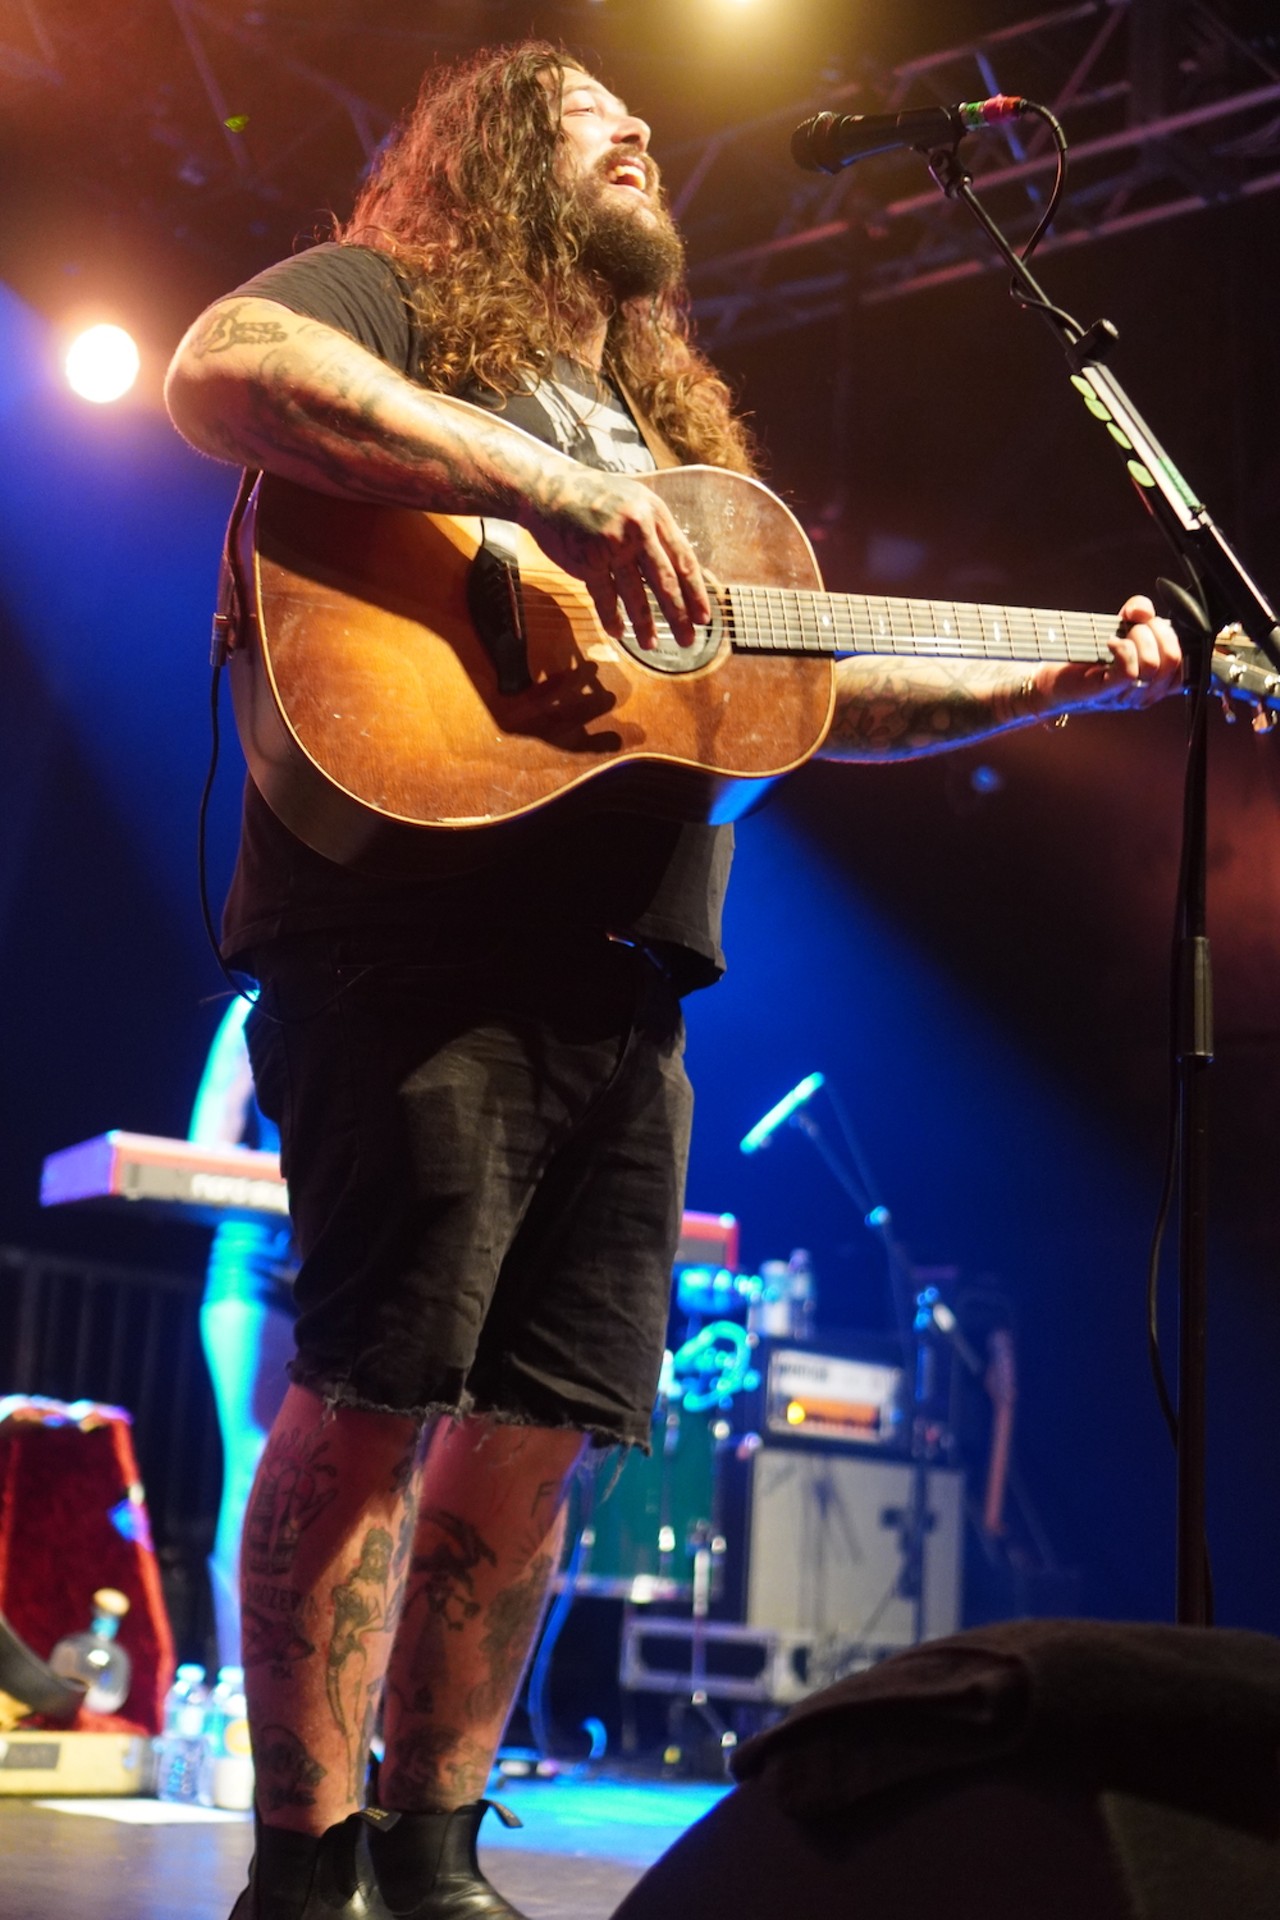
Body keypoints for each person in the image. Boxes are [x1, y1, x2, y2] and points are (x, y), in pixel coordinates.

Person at [163, 41, 1180, 1920]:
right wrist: (544, 489)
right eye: (587, 118)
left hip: (624, 972)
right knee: (377, 1390)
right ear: (487, 160)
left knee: (547, 1420)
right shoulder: (393, 307)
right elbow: (221, 367)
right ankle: (299, 1877)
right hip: (411, 933)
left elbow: (799, 697)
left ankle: (434, 1845)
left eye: (643, 123)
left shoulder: (667, 426)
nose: (639, 134)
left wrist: (1061, 680)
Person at [190, 997, 297, 1672]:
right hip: (260, 1265)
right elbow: (205, 1150)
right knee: (256, 1478)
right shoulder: (257, 1006)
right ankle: (241, 1689)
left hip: (361, 1269)